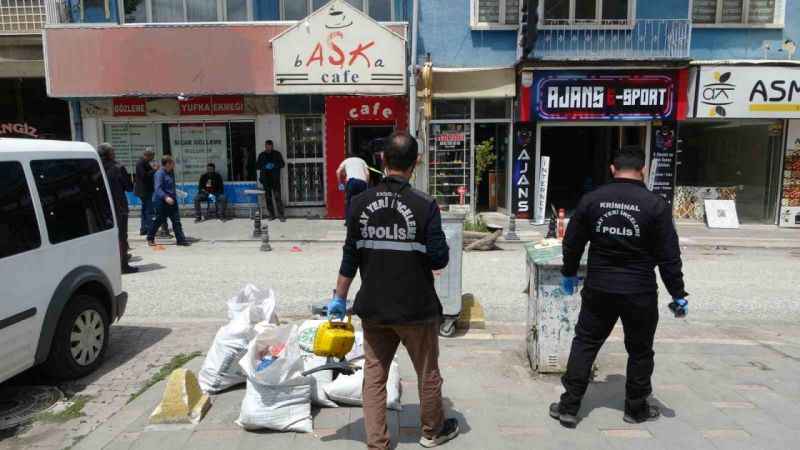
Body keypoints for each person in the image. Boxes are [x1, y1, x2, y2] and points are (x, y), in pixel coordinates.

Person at [327, 132, 459, 450]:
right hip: (417, 308)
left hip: (374, 309)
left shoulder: (359, 203)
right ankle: (432, 431)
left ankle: (378, 443)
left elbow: (350, 257)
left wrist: (339, 299)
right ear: (415, 163)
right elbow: (440, 257)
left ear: (383, 161)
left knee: (374, 376)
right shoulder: (425, 205)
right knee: (427, 372)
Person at [550, 146, 689, 428]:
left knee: (586, 343)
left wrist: (568, 272)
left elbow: (573, 242)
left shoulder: (593, 200)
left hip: (599, 287)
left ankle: (569, 406)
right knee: (640, 351)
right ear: (643, 170)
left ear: (612, 169)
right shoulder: (655, 205)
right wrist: (677, 293)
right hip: (639, 291)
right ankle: (635, 409)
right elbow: (669, 256)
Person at [98, 143, 137, 274]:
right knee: (121, 236)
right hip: (118, 207)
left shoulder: (94, 166)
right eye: (113, 151)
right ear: (109, 153)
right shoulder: (118, 167)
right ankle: (123, 265)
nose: (114, 153)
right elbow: (129, 187)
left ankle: (109, 265)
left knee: (105, 238)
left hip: (100, 208)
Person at [147, 156, 190, 247]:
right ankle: (150, 237)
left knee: (176, 221)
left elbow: (171, 186)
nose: (174, 165)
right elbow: (158, 188)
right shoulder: (159, 174)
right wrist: (166, 197)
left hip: (172, 200)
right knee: (159, 220)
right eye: (172, 163)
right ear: (167, 164)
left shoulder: (170, 173)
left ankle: (180, 239)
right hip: (162, 201)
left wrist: (177, 193)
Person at [336, 152, 369, 225]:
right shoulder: (362, 161)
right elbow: (367, 174)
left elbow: (338, 171)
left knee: (349, 202)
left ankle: (348, 222)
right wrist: (366, 184)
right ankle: (362, 221)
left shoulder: (346, 161)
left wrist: (340, 184)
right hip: (362, 182)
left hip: (351, 182)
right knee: (362, 202)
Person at [256, 140, 285, 222]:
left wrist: (274, 165)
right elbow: (257, 166)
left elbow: (282, 164)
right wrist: (264, 166)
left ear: (272, 146)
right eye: (267, 146)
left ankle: (281, 215)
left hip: (275, 180)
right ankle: (271, 215)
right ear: (265, 146)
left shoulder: (277, 154)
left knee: (278, 198)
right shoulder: (262, 155)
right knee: (268, 199)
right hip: (266, 180)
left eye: (270, 146)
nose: (268, 148)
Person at [134, 148, 157, 235]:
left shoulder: (144, 162)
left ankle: (144, 228)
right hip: (144, 190)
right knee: (148, 210)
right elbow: (144, 176)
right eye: (152, 156)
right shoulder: (141, 163)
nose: (153, 158)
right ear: (147, 155)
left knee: (145, 209)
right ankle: (150, 229)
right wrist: (154, 170)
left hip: (145, 190)